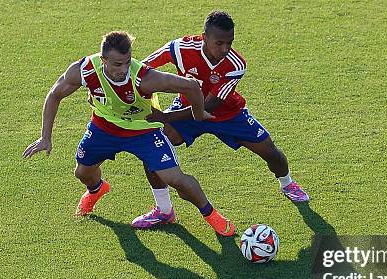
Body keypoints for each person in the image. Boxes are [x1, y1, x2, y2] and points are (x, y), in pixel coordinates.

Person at [22, 31, 235, 236]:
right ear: (103, 60)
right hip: (104, 128)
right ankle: (97, 189)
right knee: (82, 173)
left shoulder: (144, 77)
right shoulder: (84, 70)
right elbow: (54, 95)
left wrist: (198, 114)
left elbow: (190, 86)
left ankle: (211, 214)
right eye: (117, 64)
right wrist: (45, 137)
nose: (124, 69)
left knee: (175, 178)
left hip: (143, 130)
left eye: (127, 61)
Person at [130, 10, 309, 229]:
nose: (225, 49)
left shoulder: (236, 64)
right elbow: (142, 69)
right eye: (219, 43)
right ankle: (164, 211)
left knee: (271, 152)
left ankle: (287, 184)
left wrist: (166, 116)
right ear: (204, 37)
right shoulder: (179, 49)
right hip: (186, 107)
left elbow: (208, 105)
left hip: (227, 114)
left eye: (229, 43)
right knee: (154, 151)